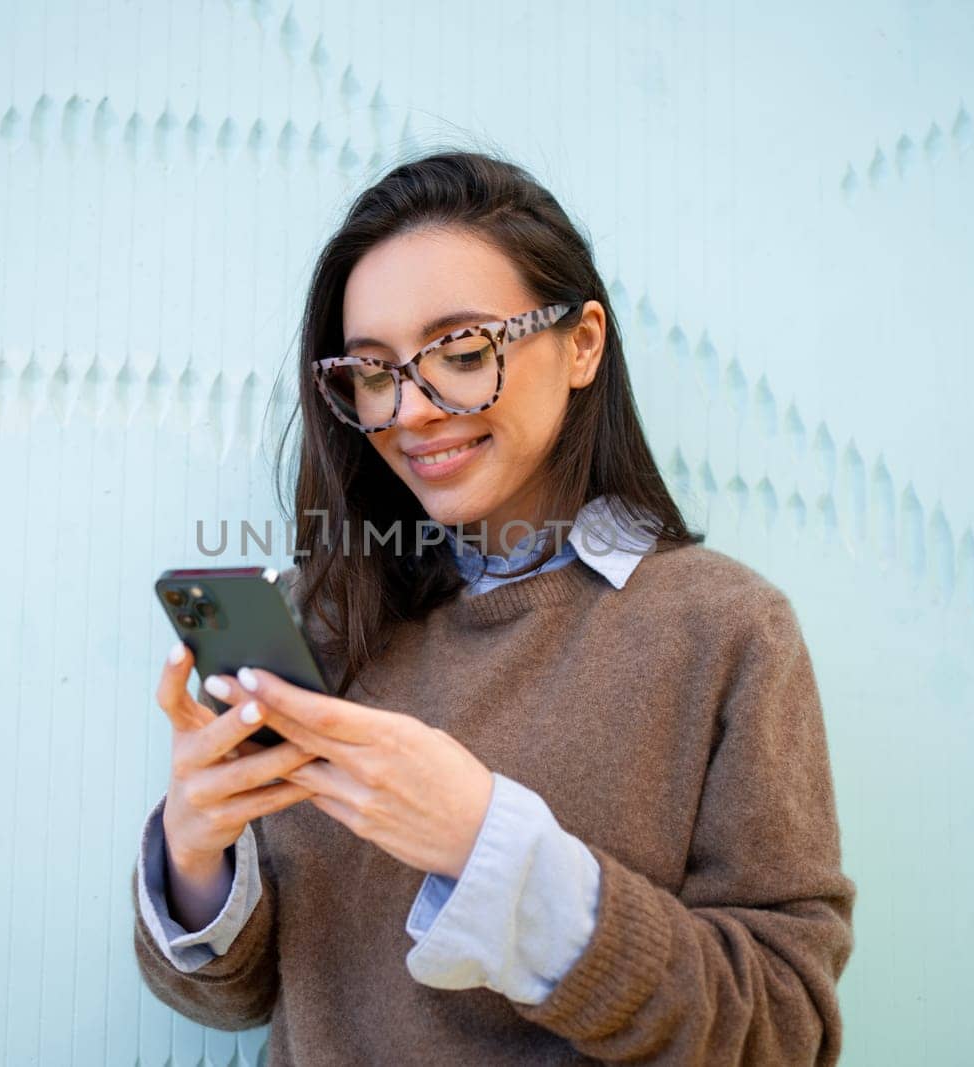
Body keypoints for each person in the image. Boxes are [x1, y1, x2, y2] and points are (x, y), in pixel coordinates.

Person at [131, 150, 856, 1064]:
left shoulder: (726, 630)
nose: (412, 410)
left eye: (464, 354)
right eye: (372, 370)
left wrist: (489, 845)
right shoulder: (325, 615)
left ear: (583, 343)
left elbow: (786, 1031)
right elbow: (241, 997)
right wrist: (196, 850)